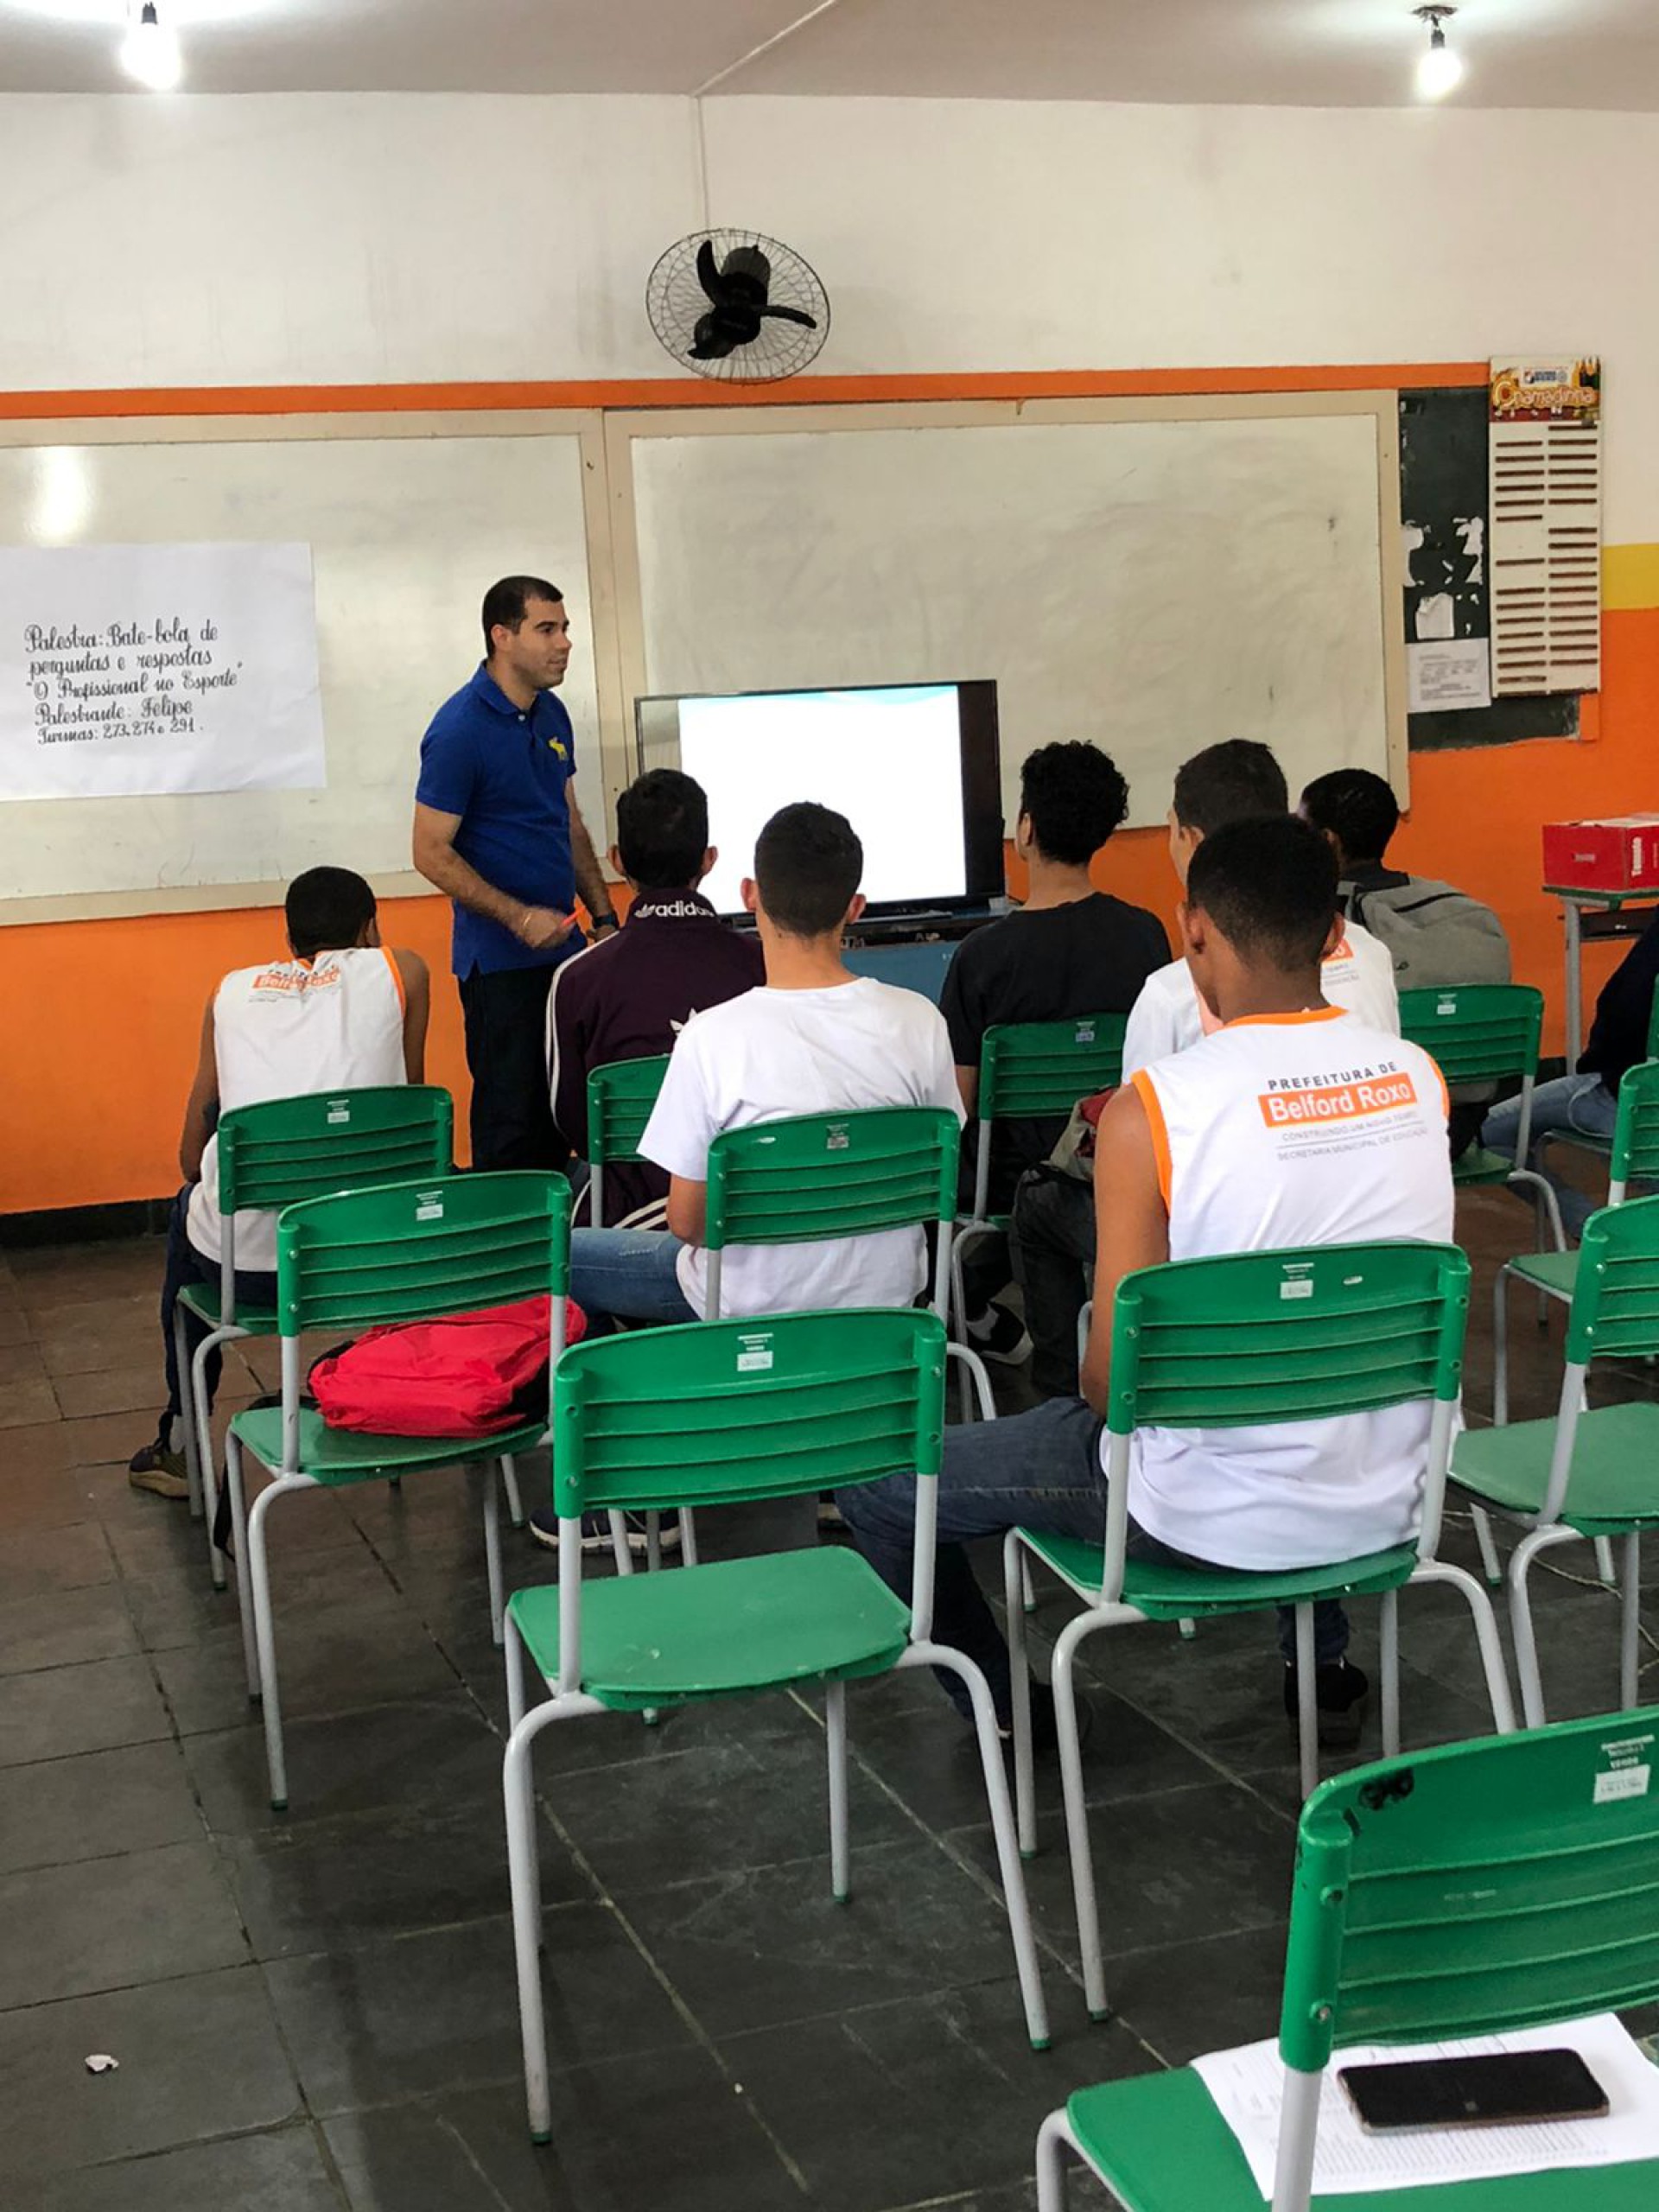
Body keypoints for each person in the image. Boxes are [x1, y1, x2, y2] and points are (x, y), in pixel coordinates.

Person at [841, 814, 1454, 1745]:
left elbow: (1109, 1383)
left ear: (1194, 929)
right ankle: (1317, 1660)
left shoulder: (1152, 1110)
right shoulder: (1418, 1079)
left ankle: (1011, 1716)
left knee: (879, 1478)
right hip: (1388, 1500)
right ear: (1335, 936)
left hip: (1198, 1513)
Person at [1011, 741, 1400, 1395]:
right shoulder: (1400, 1035)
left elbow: (1139, 1174)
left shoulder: (1171, 992)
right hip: (1353, 1302)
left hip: (1207, 1304)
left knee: (1042, 1202)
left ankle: (1053, 1398)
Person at [127, 868, 429, 1497]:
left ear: (287, 937)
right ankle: (386, 1393)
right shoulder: (404, 971)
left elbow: (190, 1156)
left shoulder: (229, 995)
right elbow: (412, 1115)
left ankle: (181, 1443)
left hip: (253, 1275)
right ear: (371, 927)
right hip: (382, 1263)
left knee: (192, 1205)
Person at [939, 741, 1167, 1365]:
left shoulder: (981, 955)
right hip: (1113, 1169)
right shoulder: (1146, 935)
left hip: (1007, 1180)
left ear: (1026, 829)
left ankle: (1004, 1333)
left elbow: (956, 1103)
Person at [413, 575, 617, 1173]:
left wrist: (604, 918)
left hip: (564, 959)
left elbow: (569, 823)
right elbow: (429, 852)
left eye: (566, 629)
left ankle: (563, 1260)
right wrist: (517, 916)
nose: (565, 644)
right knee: (512, 1126)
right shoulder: (459, 730)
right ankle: (510, 1261)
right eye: (547, 629)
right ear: (502, 636)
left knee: (560, 1116)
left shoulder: (551, 714)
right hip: (500, 969)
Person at [547, 767, 764, 1226]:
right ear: (709, 859)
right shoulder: (766, 966)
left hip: (630, 1226)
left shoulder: (576, 978)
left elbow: (575, 1125)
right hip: (751, 1215)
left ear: (617, 860)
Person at [1300, 766, 1509, 1159]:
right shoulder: (1462, 909)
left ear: (1328, 841)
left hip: (1379, 1130)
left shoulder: (1318, 925)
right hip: (1460, 1127)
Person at [1480, 909, 1659, 1241]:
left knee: (1489, 1136)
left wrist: (1600, 1065)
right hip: (1637, 1098)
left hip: (1625, 1097)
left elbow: (1623, 1011)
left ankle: (1595, 1233)